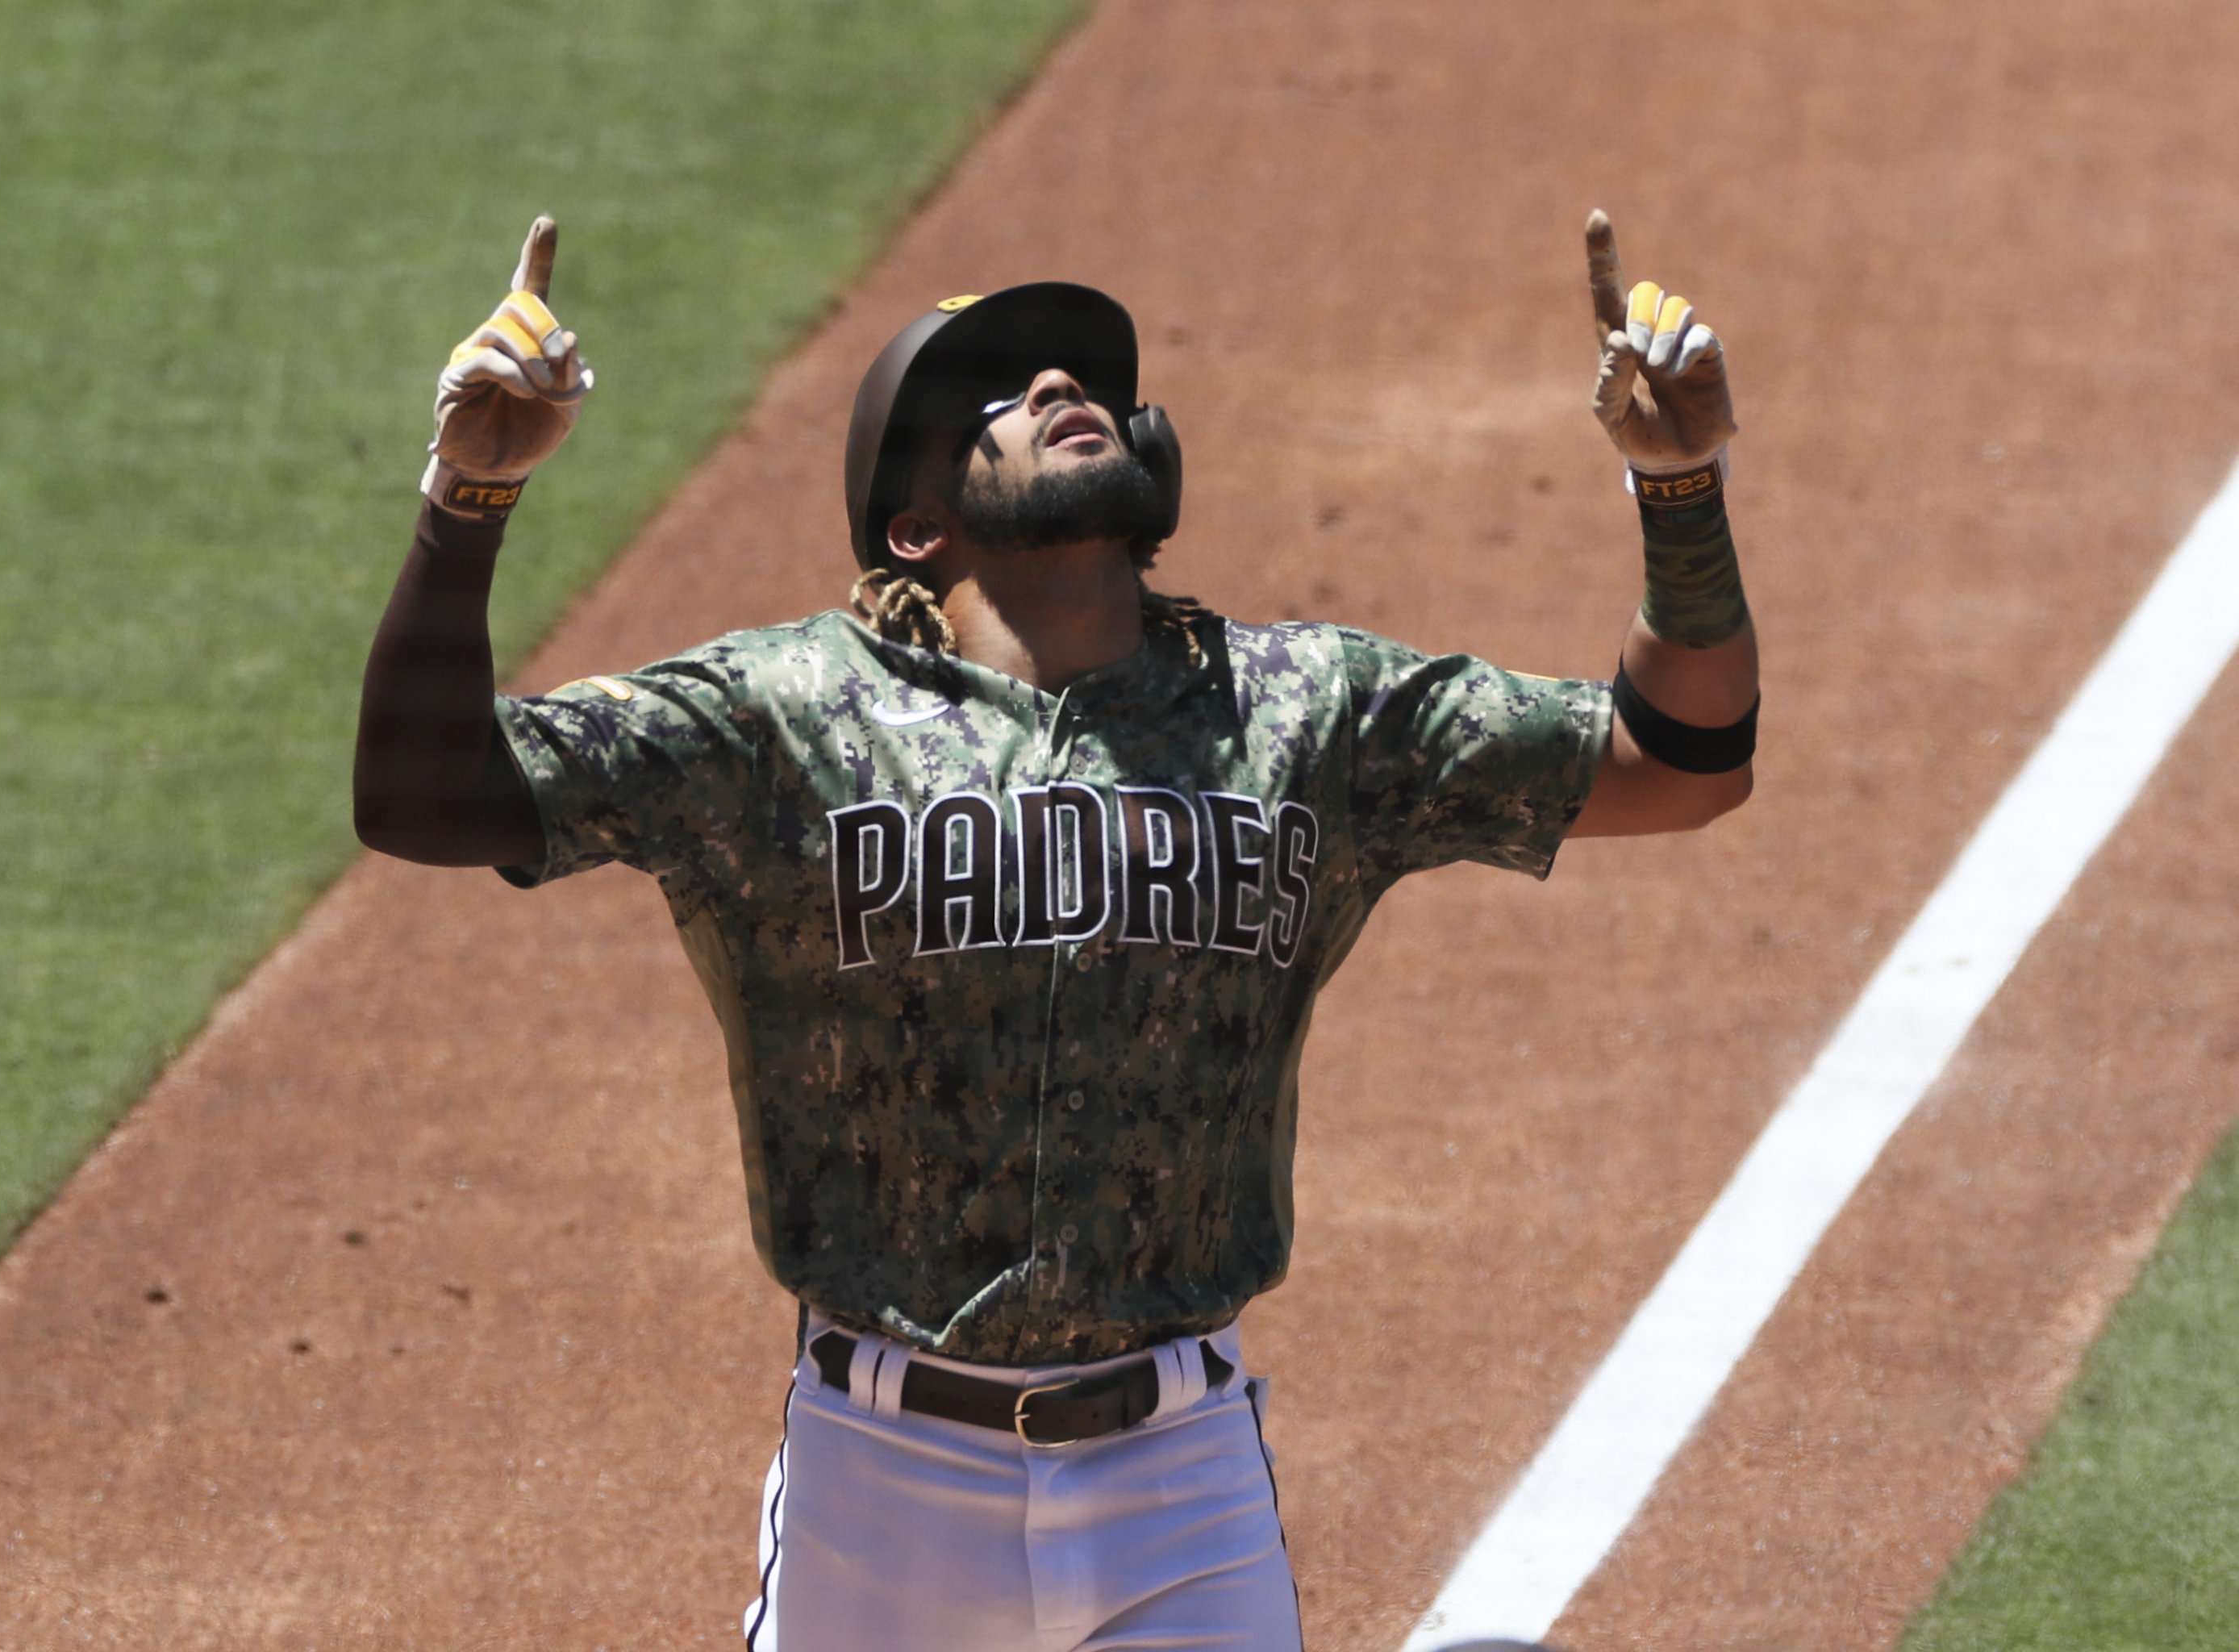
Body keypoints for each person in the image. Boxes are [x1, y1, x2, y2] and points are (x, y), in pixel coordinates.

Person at [353, 211, 1755, 1652]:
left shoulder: (1303, 709)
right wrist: (468, 497)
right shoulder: (778, 718)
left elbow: (1683, 763)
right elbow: (424, 795)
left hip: (1179, 1487)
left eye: (1079, 378)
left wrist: (1680, 486)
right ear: (917, 525)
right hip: (878, 1494)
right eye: (999, 395)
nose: (1059, 392)